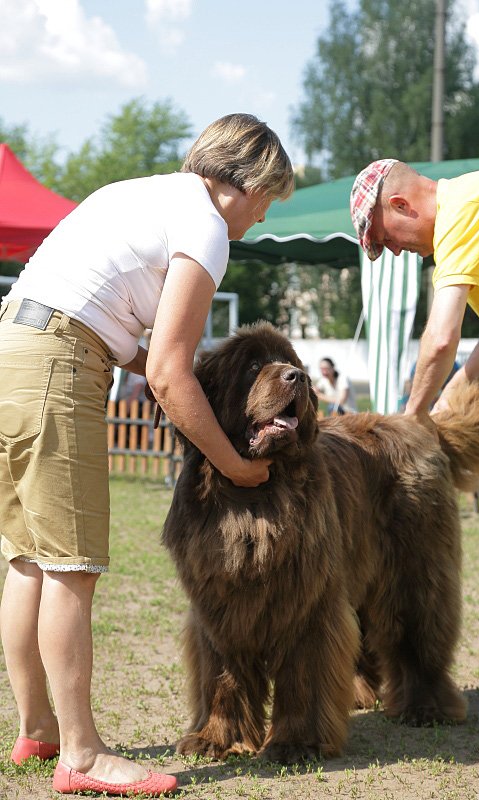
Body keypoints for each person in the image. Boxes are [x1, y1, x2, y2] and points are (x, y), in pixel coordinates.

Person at [0, 113, 293, 796]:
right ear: (246, 184)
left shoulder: (134, 193)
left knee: (27, 559)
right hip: (57, 364)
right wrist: (230, 462)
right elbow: (166, 372)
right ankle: (81, 754)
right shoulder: (207, 227)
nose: (257, 219)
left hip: (13, 344)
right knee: (72, 565)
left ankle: (38, 726)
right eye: (267, 200)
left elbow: (126, 338)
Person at [350, 157, 479, 739]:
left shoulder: (464, 211)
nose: (394, 252)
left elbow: (440, 340)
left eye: (385, 238)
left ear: (401, 205)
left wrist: (404, 426)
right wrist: (442, 406)